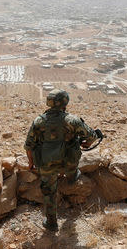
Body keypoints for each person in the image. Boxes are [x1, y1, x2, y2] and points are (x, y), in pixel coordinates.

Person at [24, 89, 98, 231]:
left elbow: (29, 146)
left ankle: (51, 222)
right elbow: (92, 136)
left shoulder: (39, 121)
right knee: (73, 168)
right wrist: (86, 144)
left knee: (49, 192)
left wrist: (31, 163)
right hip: (68, 163)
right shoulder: (72, 120)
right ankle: (72, 176)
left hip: (47, 165)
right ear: (65, 102)